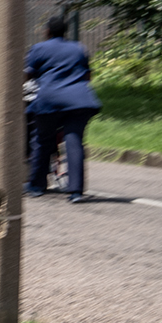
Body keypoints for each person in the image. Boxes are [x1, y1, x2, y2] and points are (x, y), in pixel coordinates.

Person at [26, 15, 101, 204]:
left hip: (50, 100)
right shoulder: (79, 48)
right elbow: (88, 75)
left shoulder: (39, 48)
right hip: (80, 100)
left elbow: (27, 74)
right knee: (74, 141)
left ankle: (36, 185)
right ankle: (75, 191)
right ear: (65, 31)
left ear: (47, 31)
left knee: (42, 140)